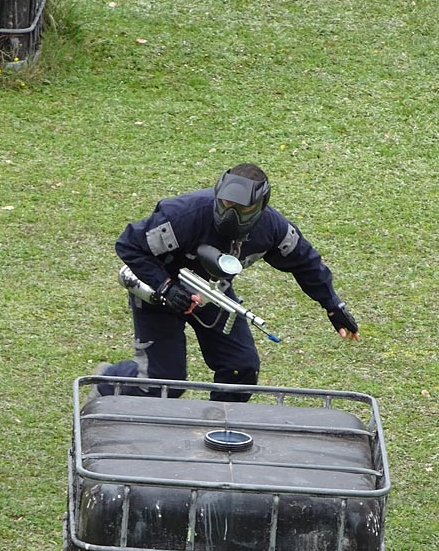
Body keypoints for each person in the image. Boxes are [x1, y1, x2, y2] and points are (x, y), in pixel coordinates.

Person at [92, 163, 359, 402]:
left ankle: (217, 429)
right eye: (226, 204)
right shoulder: (184, 215)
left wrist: (332, 304)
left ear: (261, 205)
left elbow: (306, 262)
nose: (231, 214)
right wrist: (165, 287)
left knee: (240, 371)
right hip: (158, 291)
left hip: (212, 293)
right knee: (163, 384)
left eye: (242, 209)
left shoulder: (272, 228)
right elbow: (129, 244)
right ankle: (108, 382)